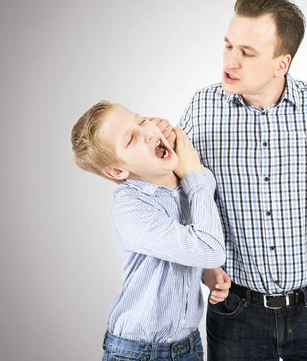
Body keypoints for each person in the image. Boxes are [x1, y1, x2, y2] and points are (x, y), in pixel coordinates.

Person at [154, 0, 307, 360]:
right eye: (228, 45)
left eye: (247, 52)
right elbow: (178, 191)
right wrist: (205, 263)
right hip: (236, 311)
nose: (229, 61)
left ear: (281, 63)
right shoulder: (202, 108)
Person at [70, 101, 229, 361]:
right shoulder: (129, 207)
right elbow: (210, 250)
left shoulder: (197, 182)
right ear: (118, 170)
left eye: (142, 120)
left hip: (187, 345)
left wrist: (207, 273)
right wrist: (192, 175)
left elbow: (196, 249)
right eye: (131, 139)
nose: (147, 132)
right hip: (138, 351)